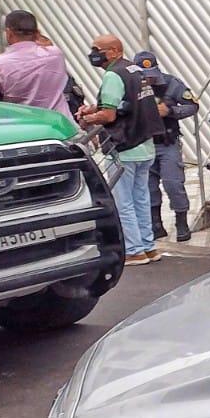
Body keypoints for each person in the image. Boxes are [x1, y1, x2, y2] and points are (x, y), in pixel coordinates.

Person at [78, 35, 164, 266]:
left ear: (114, 51)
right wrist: (96, 107)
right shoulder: (134, 70)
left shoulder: (113, 75)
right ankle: (149, 247)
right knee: (141, 199)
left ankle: (134, 251)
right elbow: (126, 102)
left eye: (97, 50)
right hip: (145, 145)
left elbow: (109, 115)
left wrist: (88, 117)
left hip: (124, 148)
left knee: (124, 202)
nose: (93, 54)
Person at [132, 51, 200, 243]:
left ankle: (181, 222)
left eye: (152, 74)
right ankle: (156, 224)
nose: (149, 79)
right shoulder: (131, 86)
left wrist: (170, 111)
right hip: (143, 144)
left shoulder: (171, 84)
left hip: (167, 143)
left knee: (173, 183)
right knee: (148, 187)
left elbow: (193, 106)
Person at [0, 10, 70, 114]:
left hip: (22, 127)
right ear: (37, 33)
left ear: (9, 33)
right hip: (59, 127)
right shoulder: (56, 55)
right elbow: (46, 45)